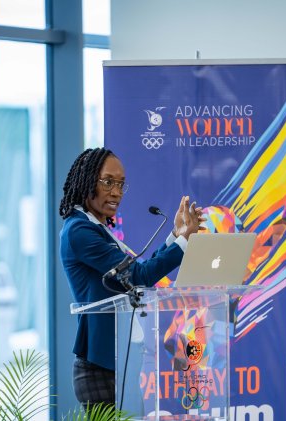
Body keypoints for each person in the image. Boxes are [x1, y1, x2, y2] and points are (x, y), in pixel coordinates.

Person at [59, 147, 204, 407]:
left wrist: (176, 235)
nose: (116, 192)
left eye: (121, 184)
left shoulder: (96, 227)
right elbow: (139, 277)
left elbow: (139, 270)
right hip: (100, 367)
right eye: (108, 182)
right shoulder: (79, 230)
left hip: (121, 361)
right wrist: (184, 241)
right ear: (87, 180)